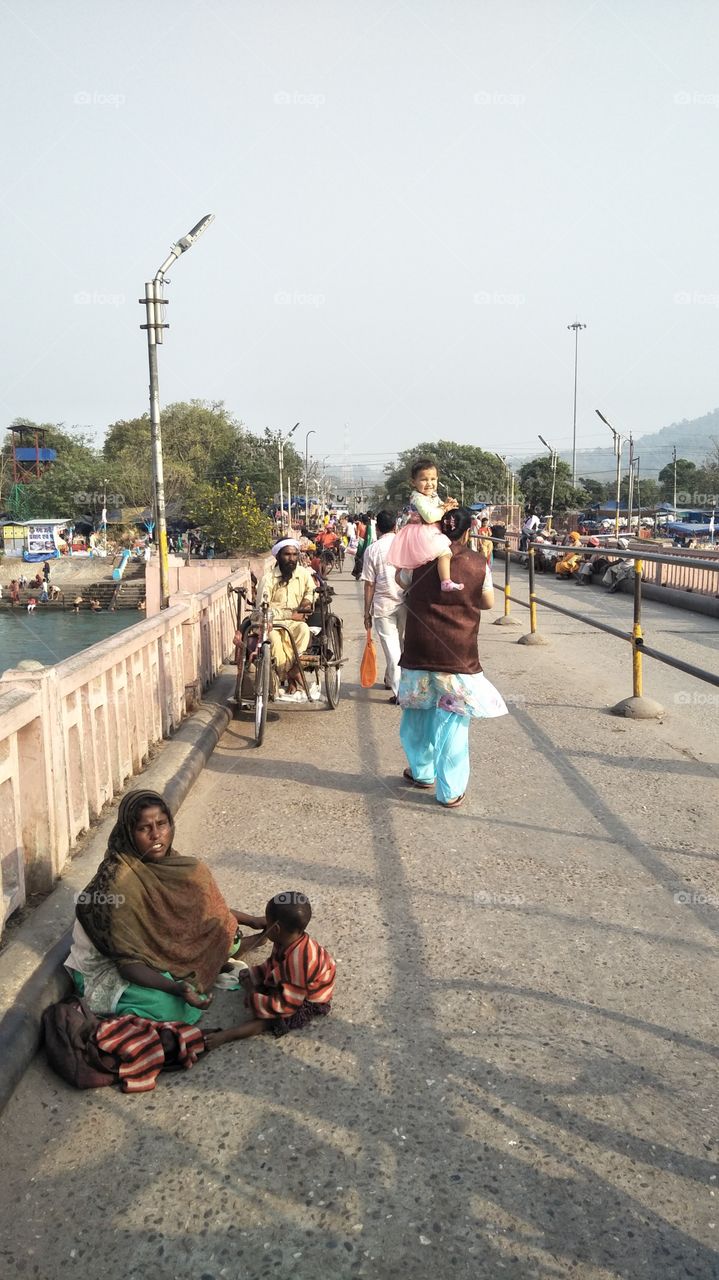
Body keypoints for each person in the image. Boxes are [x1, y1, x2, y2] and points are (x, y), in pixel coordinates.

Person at [65, 789, 267, 1025]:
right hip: (112, 964)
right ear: (128, 833)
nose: (156, 835)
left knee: (220, 926)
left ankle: (226, 951)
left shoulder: (176, 865)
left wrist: (253, 920)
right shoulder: (118, 885)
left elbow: (203, 909)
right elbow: (128, 964)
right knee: (173, 1007)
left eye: (161, 824)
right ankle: (211, 961)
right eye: (144, 828)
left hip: (155, 950)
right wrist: (175, 988)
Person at [398, 508, 508, 808]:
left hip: (419, 649)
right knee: (452, 722)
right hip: (457, 652)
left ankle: (422, 772)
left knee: (417, 713)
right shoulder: (478, 563)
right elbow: (487, 602)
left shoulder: (420, 558)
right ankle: (450, 791)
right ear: (468, 531)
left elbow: (402, 580)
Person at [205, 892, 335, 1049]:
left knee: (267, 1020)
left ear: (276, 929)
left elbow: (286, 1006)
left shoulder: (299, 961)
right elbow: (273, 964)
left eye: (268, 920)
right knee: (259, 984)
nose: (265, 923)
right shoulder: (286, 940)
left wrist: (252, 993)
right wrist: (254, 974)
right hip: (294, 983)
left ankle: (227, 1035)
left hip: (306, 998)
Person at [251, 538, 316, 698]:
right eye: (287, 554)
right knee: (275, 643)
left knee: (303, 630)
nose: (291, 558)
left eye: (294, 554)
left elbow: (311, 591)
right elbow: (263, 610)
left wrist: (307, 601)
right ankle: (288, 675)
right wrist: (289, 614)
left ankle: (293, 671)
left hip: (295, 623)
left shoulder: (303, 574)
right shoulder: (268, 579)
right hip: (272, 623)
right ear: (279, 556)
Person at [387, 459, 463, 591]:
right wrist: (445, 508)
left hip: (429, 531)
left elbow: (440, 508)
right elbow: (430, 516)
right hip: (421, 532)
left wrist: (448, 504)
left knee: (415, 561)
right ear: (413, 482)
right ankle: (445, 581)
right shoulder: (417, 497)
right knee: (445, 551)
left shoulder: (433, 495)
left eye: (433, 479)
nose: (429, 483)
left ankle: (407, 581)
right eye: (424, 480)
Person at [361, 509, 406, 702]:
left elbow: (369, 584)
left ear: (377, 528)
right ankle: (392, 680)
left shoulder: (372, 550)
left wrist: (366, 612)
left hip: (383, 605)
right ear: (395, 526)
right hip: (405, 602)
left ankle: (399, 693)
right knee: (401, 645)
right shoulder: (405, 545)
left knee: (391, 648)